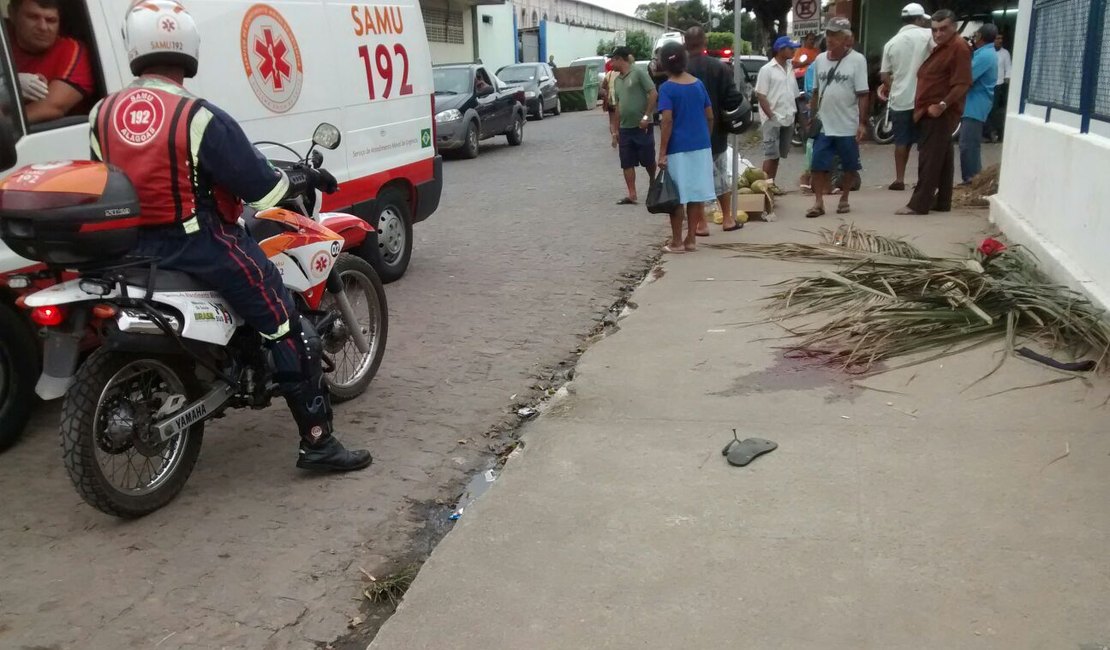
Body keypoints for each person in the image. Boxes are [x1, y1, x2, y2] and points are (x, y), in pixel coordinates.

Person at [90, 0, 372, 472]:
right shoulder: (198, 116)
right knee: (285, 323)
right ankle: (318, 443)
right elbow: (261, 187)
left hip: (131, 246)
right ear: (189, 49)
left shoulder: (104, 113)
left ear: (135, 47)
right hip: (201, 245)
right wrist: (299, 181)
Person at [897, 10, 971, 215]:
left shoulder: (958, 47)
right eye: (935, 30)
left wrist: (942, 105)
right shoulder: (943, 48)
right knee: (943, 158)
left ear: (954, 27)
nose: (938, 34)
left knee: (929, 158)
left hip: (938, 112)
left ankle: (919, 204)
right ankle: (942, 201)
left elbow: (963, 83)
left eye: (943, 29)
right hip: (930, 110)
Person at [805, 17, 869, 218]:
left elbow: (863, 94)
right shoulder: (820, 59)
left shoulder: (857, 60)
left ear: (846, 38)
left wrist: (862, 123)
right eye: (828, 34)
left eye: (835, 35)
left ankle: (845, 198)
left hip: (847, 123)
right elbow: (815, 91)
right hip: (824, 123)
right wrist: (811, 114)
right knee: (817, 164)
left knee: (849, 164)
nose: (830, 39)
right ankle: (818, 202)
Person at [656, 41, 715, 254]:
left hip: (677, 148)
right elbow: (709, 116)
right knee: (695, 194)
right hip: (701, 146)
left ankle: (676, 242)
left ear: (664, 64)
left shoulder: (667, 88)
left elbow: (667, 121)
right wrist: (704, 138)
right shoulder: (698, 84)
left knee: (677, 197)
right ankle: (691, 239)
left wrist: (662, 152)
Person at [685, 26, 743, 233]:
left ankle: (701, 224)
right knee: (719, 176)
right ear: (705, 42)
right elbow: (733, 98)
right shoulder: (720, 68)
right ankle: (727, 218)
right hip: (716, 132)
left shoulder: (681, 70)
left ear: (685, 44)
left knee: (696, 178)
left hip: (689, 136)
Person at [9, 0, 95, 124]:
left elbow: (52, 106)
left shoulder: (69, 49)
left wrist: (10, 88)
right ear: (13, 14)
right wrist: (7, 85)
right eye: (33, 17)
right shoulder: (4, 39)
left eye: (51, 20)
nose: (43, 27)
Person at [879, 3, 933, 191]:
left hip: (900, 100)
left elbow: (884, 74)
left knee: (902, 141)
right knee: (925, 143)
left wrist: (894, 87)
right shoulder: (928, 36)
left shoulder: (891, 43)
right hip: (924, 100)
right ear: (919, 19)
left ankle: (899, 179)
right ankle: (922, 181)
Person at [609, 46, 658, 205]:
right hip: (625, 128)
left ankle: (653, 181)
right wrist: (615, 130)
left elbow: (653, 93)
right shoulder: (616, 81)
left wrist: (646, 116)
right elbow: (618, 106)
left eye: (612, 59)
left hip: (642, 126)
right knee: (626, 162)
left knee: (648, 159)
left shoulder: (638, 73)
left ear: (619, 59)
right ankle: (632, 193)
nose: (610, 63)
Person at [755, 36, 800, 190]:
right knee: (770, 155)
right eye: (790, 48)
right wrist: (772, 117)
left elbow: (794, 94)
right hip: (772, 118)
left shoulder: (790, 68)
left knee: (778, 156)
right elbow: (761, 96)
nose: (793, 51)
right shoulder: (767, 70)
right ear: (780, 50)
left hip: (788, 117)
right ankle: (763, 188)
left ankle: (771, 185)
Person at [959, 24, 998, 185]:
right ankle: (972, 177)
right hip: (974, 103)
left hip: (976, 104)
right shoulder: (985, 53)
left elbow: (967, 76)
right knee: (969, 143)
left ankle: (972, 178)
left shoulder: (985, 56)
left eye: (976, 34)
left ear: (980, 37)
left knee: (968, 144)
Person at [986, 33, 1011, 142]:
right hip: (987, 85)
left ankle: (995, 132)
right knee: (987, 109)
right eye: (997, 38)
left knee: (994, 110)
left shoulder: (1005, 53)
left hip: (998, 85)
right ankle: (988, 131)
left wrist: (1007, 79)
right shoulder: (987, 52)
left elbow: (1008, 68)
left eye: (1001, 38)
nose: (999, 40)